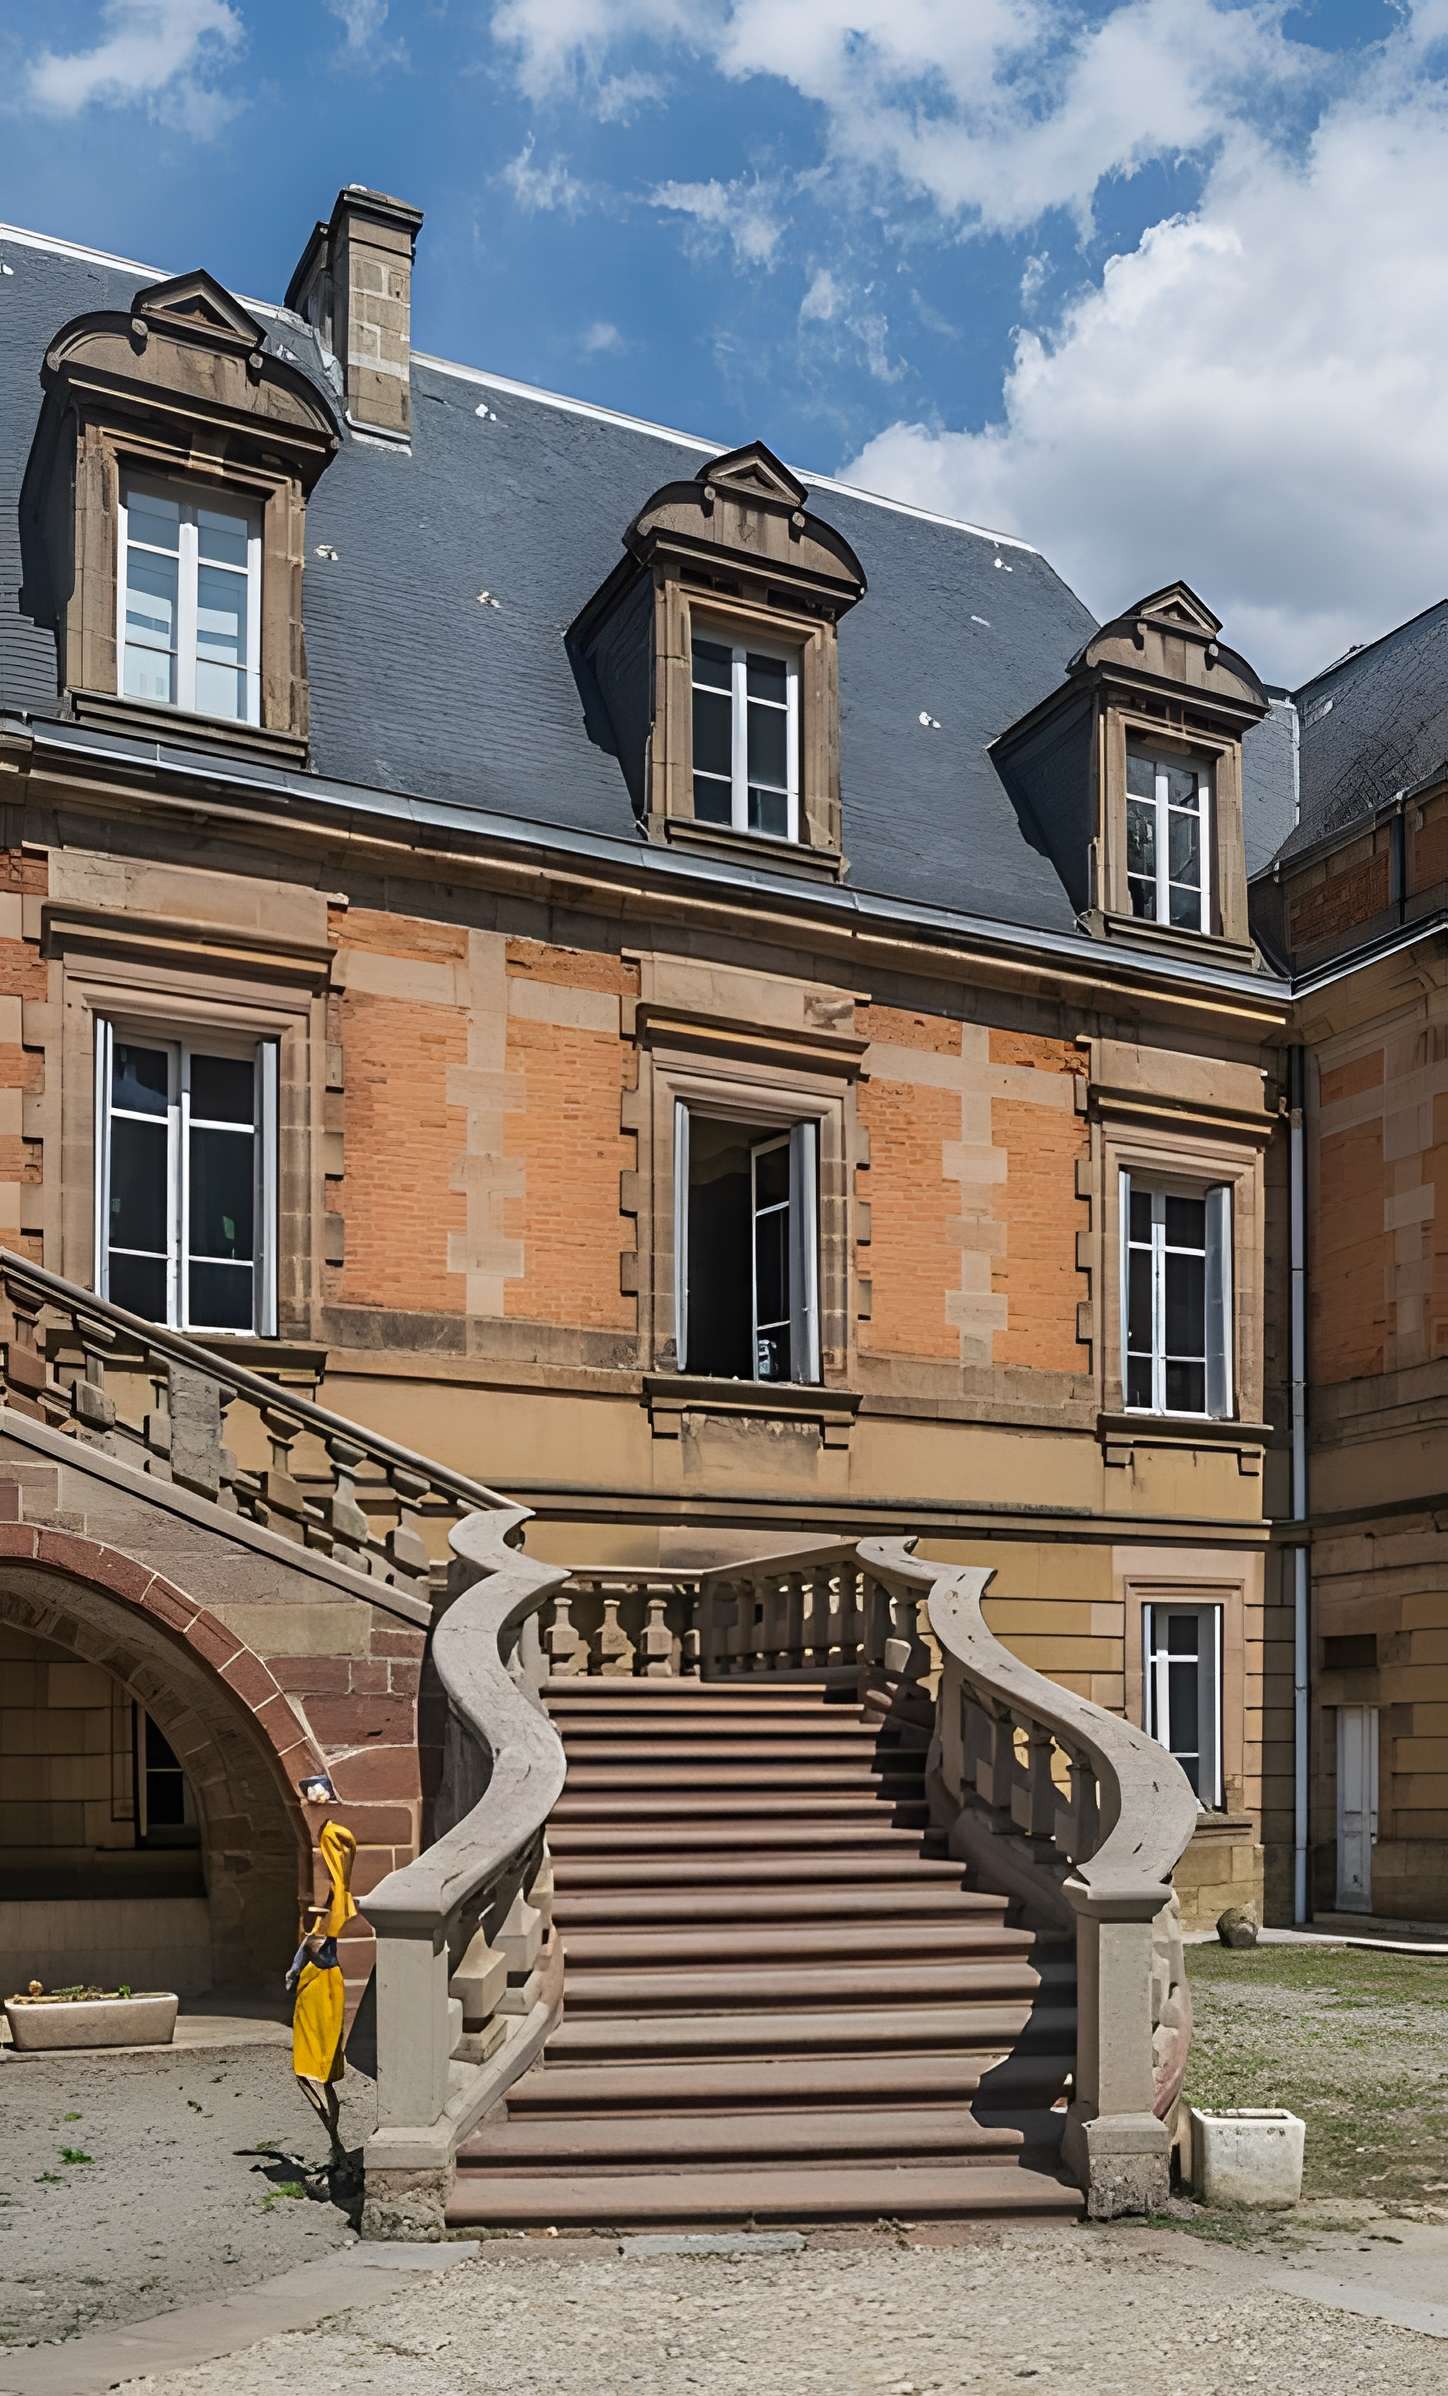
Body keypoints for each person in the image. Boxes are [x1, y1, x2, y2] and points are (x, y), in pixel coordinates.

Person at [286, 1811, 358, 2170]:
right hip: (314, 2004)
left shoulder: (324, 1939)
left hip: (319, 2007)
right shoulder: (322, 1931)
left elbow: (336, 1900)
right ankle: (334, 2140)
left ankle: (334, 2140)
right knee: (315, 2075)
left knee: (311, 2073)